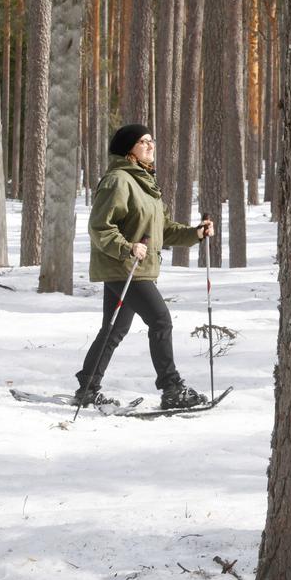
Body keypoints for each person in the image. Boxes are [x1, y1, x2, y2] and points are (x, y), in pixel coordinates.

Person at [74, 123, 215, 410]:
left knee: (114, 329)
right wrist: (126, 247)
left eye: (151, 140)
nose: (150, 145)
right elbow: (99, 226)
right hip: (125, 266)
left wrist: (196, 233)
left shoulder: (145, 183)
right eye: (143, 141)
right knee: (160, 320)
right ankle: (171, 388)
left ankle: (87, 387)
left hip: (133, 267)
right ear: (128, 149)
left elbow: (163, 229)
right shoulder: (118, 180)